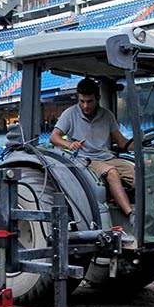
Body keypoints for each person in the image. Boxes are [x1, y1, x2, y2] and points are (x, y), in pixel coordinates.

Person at [50, 78, 135, 221]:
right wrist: (70, 145)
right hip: (85, 160)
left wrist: (140, 146)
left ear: (98, 98)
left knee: (141, 173)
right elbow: (54, 138)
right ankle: (131, 215)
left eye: (89, 101)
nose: (85, 106)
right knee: (112, 173)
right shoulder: (70, 114)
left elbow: (121, 142)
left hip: (107, 157)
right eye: (82, 101)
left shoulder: (107, 115)